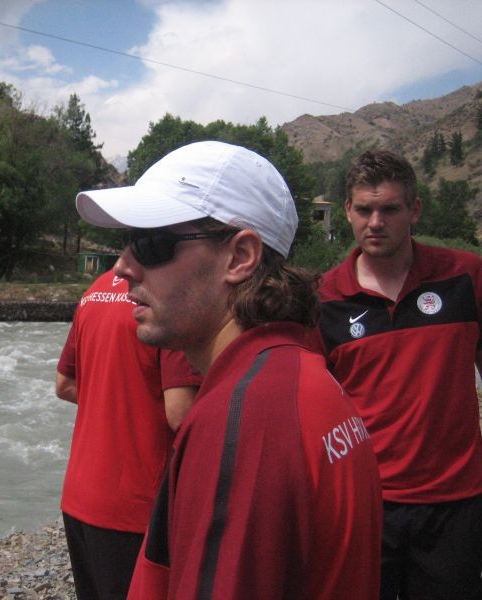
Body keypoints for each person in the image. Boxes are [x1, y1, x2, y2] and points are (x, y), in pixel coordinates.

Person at [74, 140, 382, 600]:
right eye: (127, 243)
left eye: (151, 244)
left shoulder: (245, 420)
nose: (123, 267)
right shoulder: (298, 377)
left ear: (240, 257)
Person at [312, 149, 482, 600]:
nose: (375, 222)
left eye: (389, 209)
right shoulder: (324, 300)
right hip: (365, 503)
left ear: (415, 210)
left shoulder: (466, 277)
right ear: (347, 210)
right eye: (364, 210)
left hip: (455, 503)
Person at [56, 268, 201, 600]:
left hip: (80, 496)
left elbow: (64, 384)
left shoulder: (95, 289)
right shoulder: (167, 296)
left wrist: (117, 402)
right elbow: (180, 412)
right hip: (137, 506)